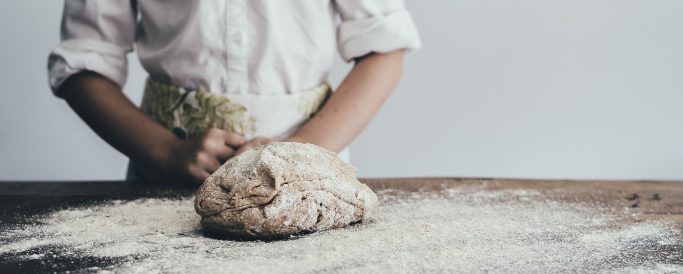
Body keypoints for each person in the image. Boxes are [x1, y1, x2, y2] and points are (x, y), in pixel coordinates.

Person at [48, 0, 421, 183]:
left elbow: (383, 48)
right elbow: (83, 62)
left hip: (309, 175)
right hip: (168, 176)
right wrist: (164, 151)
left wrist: (303, 151)